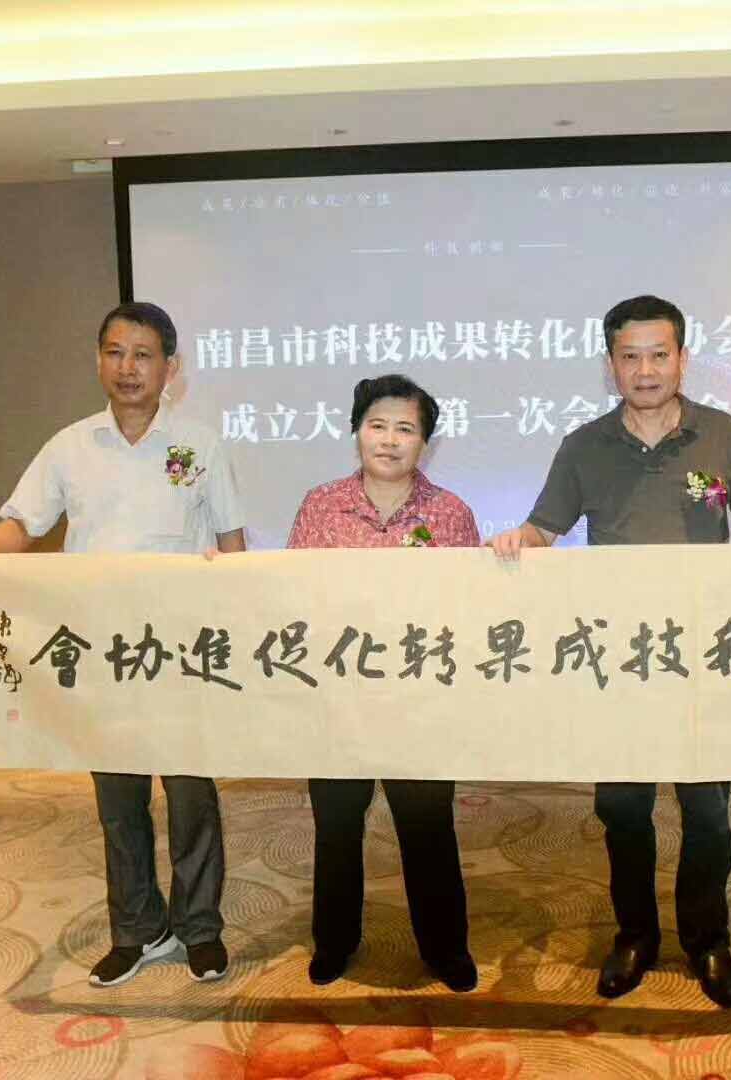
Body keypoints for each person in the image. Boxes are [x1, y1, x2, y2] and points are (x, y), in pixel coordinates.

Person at [0, 301, 245, 988]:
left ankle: (200, 929)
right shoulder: (70, 447)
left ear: (170, 367)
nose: (128, 367)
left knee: (191, 798)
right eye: (115, 352)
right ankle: (138, 930)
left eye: (143, 355)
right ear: (98, 360)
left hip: (183, 652)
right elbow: (22, 527)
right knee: (118, 802)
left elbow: (231, 544)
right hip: (103, 655)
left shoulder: (200, 445)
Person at [490, 294, 731, 1008]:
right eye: (630, 357)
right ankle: (635, 935)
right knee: (623, 809)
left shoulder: (722, 433)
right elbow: (543, 527)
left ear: (683, 358)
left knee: (707, 814)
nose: (646, 370)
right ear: (611, 365)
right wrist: (517, 542)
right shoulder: (584, 446)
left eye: (659, 355)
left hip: (702, 656)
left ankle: (708, 940)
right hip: (619, 661)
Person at [286, 373, 480, 993]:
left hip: (417, 701)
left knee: (428, 828)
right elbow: (291, 595)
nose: (389, 440)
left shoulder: (450, 514)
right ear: (356, 431)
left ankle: (446, 948)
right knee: (337, 827)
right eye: (377, 426)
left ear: (425, 441)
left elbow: (469, 612)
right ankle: (334, 943)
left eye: (405, 429)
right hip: (338, 698)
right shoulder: (321, 506)